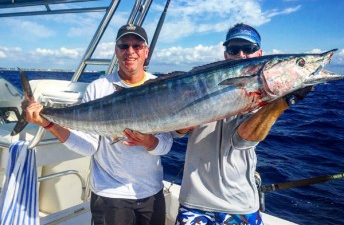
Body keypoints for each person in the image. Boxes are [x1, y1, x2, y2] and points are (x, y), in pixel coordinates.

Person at [24, 24, 173, 225]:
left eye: (137, 45)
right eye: (123, 46)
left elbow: (166, 144)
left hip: (151, 193)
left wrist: (149, 142)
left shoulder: (161, 88)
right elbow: (90, 145)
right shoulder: (98, 88)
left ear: (146, 51)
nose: (130, 51)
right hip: (109, 195)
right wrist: (49, 124)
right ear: (116, 51)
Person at [174, 23, 312, 225]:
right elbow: (177, 132)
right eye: (233, 49)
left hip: (240, 204)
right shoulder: (199, 83)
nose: (241, 54)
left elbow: (241, 141)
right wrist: (189, 114)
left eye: (248, 49)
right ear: (225, 55)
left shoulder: (265, 95)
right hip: (194, 202)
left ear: (260, 53)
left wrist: (281, 103)